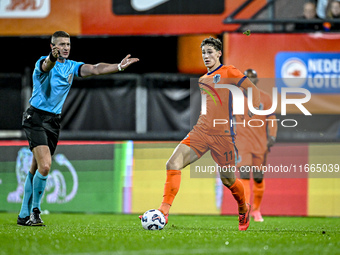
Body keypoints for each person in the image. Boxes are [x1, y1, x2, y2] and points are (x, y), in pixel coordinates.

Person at [17, 31, 139, 226]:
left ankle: (23, 214)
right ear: (52, 46)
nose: (66, 47)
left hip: (53, 122)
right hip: (36, 118)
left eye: (68, 44)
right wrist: (51, 57)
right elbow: (46, 66)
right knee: (46, 166)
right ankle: (35, 212)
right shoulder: (42, 62)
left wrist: (118, 66)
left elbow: (95, 69)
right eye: (61, 44)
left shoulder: (71, 67)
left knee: (36, 167)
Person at [143, 37, 260, 231]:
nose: (206, 56)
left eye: (210, 52)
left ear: (219, 53)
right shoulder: (203, 79)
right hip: (201, 131)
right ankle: (163, 211)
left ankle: (242, 207)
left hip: (222, 136)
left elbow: (252, 90)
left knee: (228, 180)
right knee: (173, 163)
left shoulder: (229, 71)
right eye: (203, 53)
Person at [236, 69, 277, 222]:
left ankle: (257, 210)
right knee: (245, 174)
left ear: (257, 81)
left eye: (253, 78)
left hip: (260, 144)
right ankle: (246, 209)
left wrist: (272, 135)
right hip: (243, 144)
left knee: (258, 178)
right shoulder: (236, 99)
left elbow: (272, 118)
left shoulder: (265, 98)